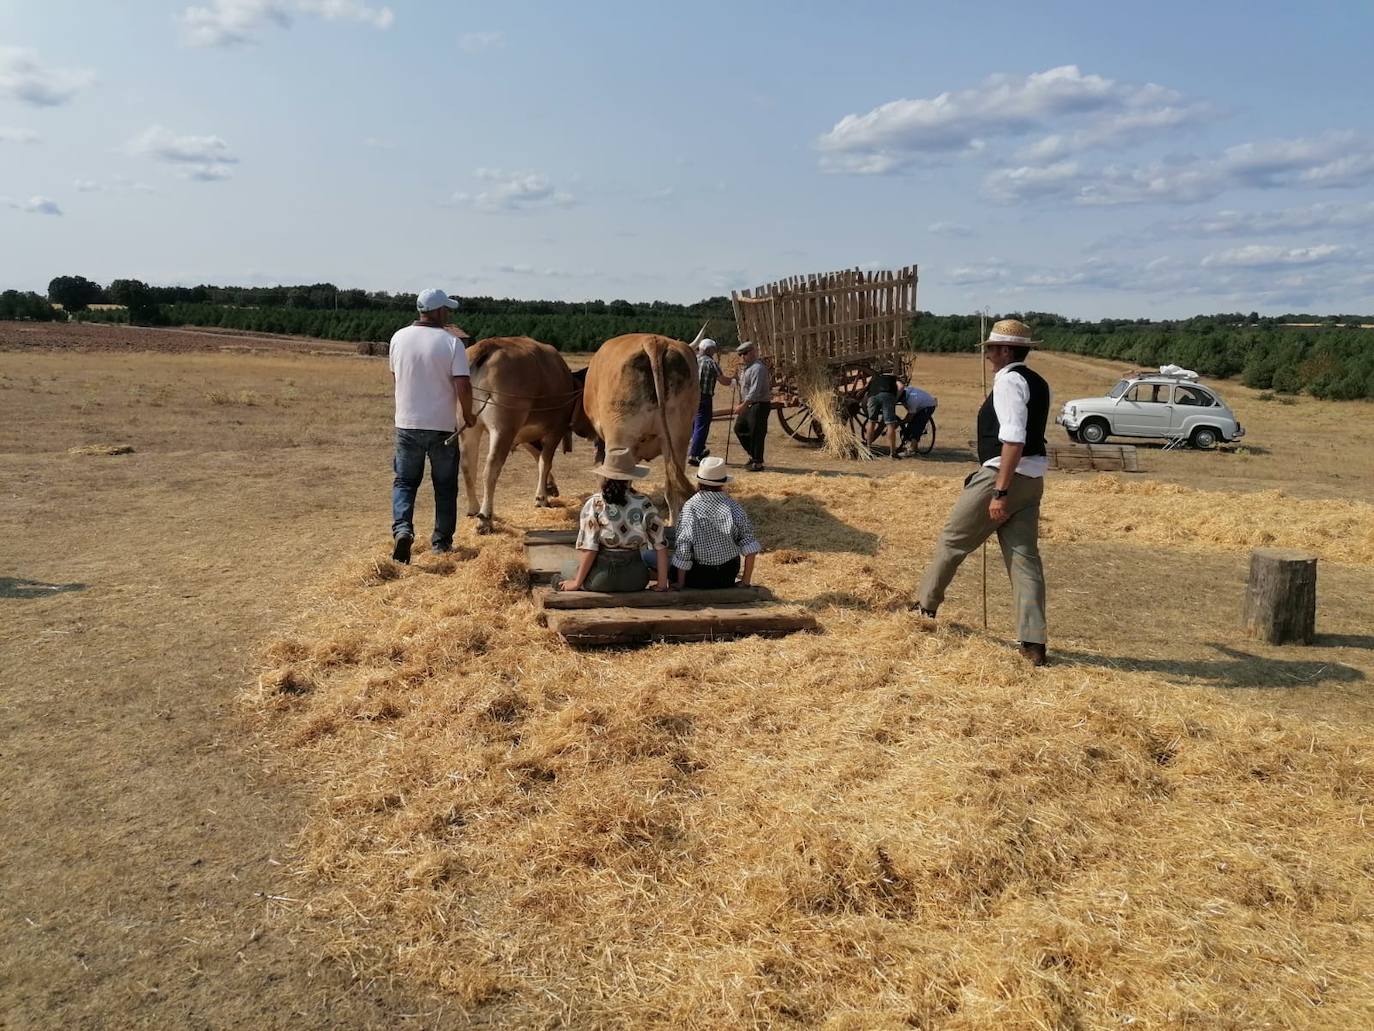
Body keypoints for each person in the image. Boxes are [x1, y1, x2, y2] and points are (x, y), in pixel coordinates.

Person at [914, 319, 1051, 666]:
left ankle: (923, 609)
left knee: (952, 540)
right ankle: (1033, 644)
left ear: (1005, 350)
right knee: (1024, 560)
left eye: (990, 348)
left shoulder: (1008, 381)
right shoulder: (1038, 381)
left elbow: (1014, 439)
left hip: (1002, 477)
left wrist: (999, 491)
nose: (987, 355)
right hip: (1033, 479)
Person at [389, 288, 475, 564]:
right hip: (442, 427)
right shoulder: (452, 343)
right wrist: (469, 414)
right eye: (446, 309)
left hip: (407, 424)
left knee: (405, 482)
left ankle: (403, 530)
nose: (448, 314)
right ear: (437, 311)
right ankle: (440, 543)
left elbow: (396, 376)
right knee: (445, 486)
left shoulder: (398, 338)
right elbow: (463, 383)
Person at [558, 448, 670, 592]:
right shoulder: (644, 503)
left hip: (602, 579)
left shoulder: (595, 503)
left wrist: (576, 583)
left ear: (605, 476)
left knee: (568, 566)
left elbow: (590, 548)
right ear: (630, 477)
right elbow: (661, 546)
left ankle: (570, 582)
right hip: (636, 579)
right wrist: (661, 584)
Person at [671, 457, 763, 588]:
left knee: (673, 564)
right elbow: (750, 546)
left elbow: (684, 546)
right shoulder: (733, 506)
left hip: (699, 576)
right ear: (722, 483)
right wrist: (745, 582)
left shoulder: (690, 506)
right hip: (727, 575)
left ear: (699, 482)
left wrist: (680, 583)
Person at [688, 338, 733, 466]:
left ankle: (699, 449)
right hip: (704, 397)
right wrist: (733, 381)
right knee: (702, 425)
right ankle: (694, 454)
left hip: (690, 397)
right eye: (713, 349)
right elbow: (723, 380)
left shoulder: (693, 360)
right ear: (709, 349)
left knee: (693, 424)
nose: (714, 352)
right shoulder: (710, 363)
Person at [733, 340, 771, 471]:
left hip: (759, 404)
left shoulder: (758, 368)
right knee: (739, 428)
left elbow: (755, 391)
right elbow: (744, 387)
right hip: (749, 404)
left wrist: (743, 405)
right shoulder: (746, 369)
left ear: (753, 352)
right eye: (740, 354)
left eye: (745, 353)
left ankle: (758, 462)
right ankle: (753, 454)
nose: (743, 357)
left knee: (757, 432)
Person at [863, 367, 903, 458]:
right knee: (890, 424)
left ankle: (868, 450)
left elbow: (866, 387)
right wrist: (895, 399)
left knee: (871, 421)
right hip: (887, 395)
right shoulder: (894, 379)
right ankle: (893, 453)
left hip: (872, 396)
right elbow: (901, 387)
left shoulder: (875, 378)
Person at [899, 382, 938, 454]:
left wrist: (900, 423)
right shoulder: (904, 391)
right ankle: (914, 446)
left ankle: (912, 449)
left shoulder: (912, 400)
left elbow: (909, 418)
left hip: (928, 406)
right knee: (911, 424)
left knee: (917, 425)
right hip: (920, 403)